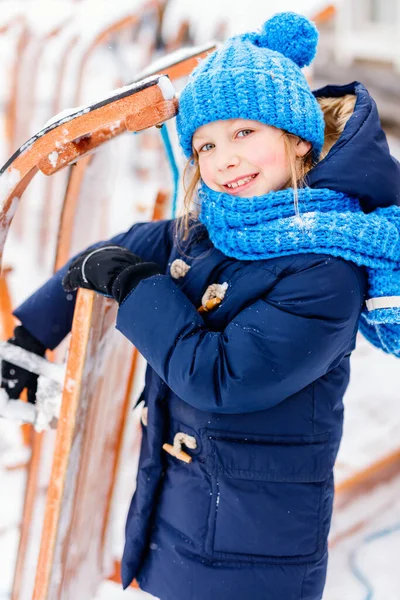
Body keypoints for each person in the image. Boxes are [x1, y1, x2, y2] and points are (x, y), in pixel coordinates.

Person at [3, 11, 400, 600]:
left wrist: (138, 287)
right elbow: (128, 248)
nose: (224, 159)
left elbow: (223, 376)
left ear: (295, 138)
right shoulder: (215, 227)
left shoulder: (325, 268)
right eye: (206, 144)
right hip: (182, 516)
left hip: (255, 550)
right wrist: (34, 331)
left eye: (245, 134)